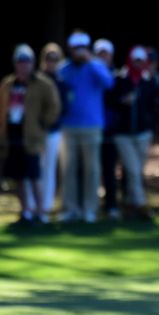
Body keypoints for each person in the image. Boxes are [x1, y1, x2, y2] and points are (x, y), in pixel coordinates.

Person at [0, 44, 61, 224]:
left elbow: (54, 106)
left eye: (26, 61)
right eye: (20, 61)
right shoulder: (7, 84)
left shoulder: (42, 84)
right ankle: (25, 211)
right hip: (12, 135)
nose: (23, 65)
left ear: (33, 63)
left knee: (34, 176)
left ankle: (41, 213)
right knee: (18, 177)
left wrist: (43, 124)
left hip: (32, 137)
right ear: (15, 63)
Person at [58, 31, 114, 223]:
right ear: (71, 50)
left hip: (92, 126)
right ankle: (70, 209)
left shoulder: (96, 66)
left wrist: (90, 61)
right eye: (76, 49)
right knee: (69, 170)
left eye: (83, 48)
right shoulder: (64, 69)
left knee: (92, 170)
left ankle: (90, 209)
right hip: (68, 127)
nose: (79, 52)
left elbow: (109, 83)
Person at [110, 46, 158, 219]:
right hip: (123, 133)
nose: (138, 63)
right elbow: (110, 102)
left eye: (141, 60)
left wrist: (151, 128)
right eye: (135, 60)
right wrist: (122, 101)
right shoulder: (120, 79)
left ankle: (129, 205)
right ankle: (142, 204)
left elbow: (153, 107)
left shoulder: (148, 81)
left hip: (143, 132)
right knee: (132, 170)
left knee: (136, 171)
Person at [37, 43, 67, 218]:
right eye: (49, 58)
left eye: (55, 59)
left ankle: (46, 209)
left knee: (49, 171)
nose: (52, 62)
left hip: (54, 132)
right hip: (36, 132)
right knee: (35, 170)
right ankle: (33, 207)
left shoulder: (61, 82)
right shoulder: (36, 80)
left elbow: (63, 108)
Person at [94, 38, 122, 219]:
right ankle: (91, 206)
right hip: (92, 127)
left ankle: (111, 205)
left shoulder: (117, 76)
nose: (104, 57)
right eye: (100, 54)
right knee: (91, 169)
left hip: (110, 129)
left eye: (106, 54)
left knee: (109, 168)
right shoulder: (90, 73)